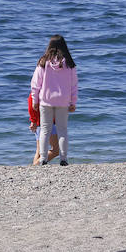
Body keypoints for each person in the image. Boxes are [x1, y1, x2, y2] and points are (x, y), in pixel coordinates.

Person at [30, 34, 78, 166]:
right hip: (63, 101)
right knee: (63, 130)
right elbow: (74, 85)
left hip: (46, 101)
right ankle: (63, 159)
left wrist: (35, 99)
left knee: (45, 129)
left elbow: (35, 84)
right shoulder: (69, 63)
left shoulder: (43, 62)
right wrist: (73, 102)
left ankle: (43, 159)